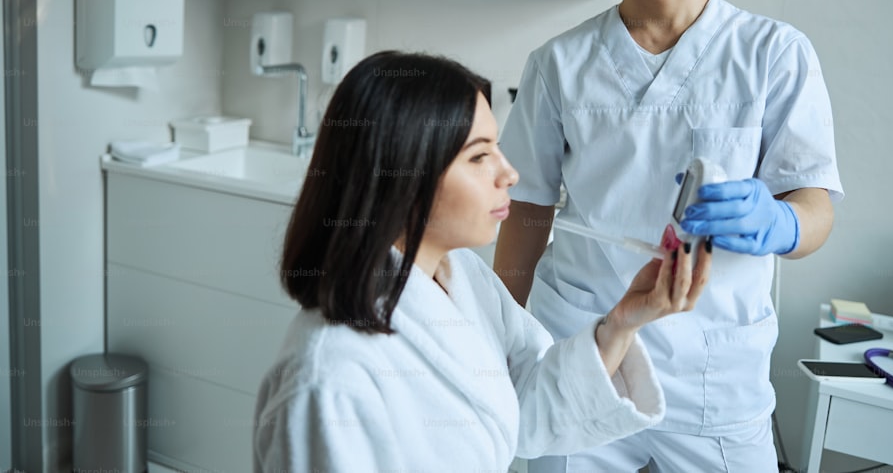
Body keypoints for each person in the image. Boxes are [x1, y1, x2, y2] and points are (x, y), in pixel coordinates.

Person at [494, 0, 844, 473]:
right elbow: (525, 210)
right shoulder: (558, 64)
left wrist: (783, 220)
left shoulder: (774, 55)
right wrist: (503, 334)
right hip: (583, 345)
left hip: (714, 366)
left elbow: (817, 209)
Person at [252, 51, 713, 471]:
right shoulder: (326, 380)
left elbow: (520, 414)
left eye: (498, 148)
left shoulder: (464, 278)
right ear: (403, 178)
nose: (509, 173)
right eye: (479, 157)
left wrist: (621, 324)